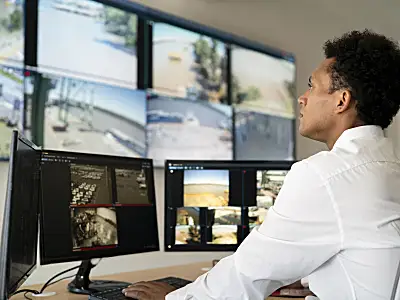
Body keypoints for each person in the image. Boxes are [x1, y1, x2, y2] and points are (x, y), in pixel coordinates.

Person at [123, 29, 400, 300]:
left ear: (342, 101)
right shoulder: (388, 168)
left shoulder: (324, 175)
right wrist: (323, 277)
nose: (302, 97)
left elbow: (245, 277)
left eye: (312, 85)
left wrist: (174, 297)